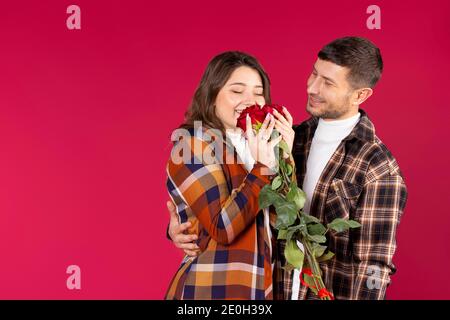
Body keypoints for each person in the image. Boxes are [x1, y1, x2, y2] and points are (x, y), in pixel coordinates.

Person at [167, 37, 408, 300]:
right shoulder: (290, 139)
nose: (313, 87)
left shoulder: (377, 166)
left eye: (327, 83)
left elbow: (375, 264)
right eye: (314, 73)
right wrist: (186, 223)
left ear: (360, 95)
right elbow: (246, 212)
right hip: (259, 290)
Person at [165, 51, 294, 300]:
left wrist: (285, 158)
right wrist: (263, 167)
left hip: (259, 288)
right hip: (212, 288)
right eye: (237, 91)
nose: (251, 100)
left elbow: (285, 225)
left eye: (258, 92)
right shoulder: (192, 145)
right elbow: (223, 227)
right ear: (212, 96)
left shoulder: (261, 145)